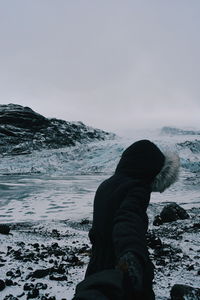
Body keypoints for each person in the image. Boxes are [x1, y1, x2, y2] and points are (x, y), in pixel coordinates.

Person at [73, 139, 180, 300]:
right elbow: (128, 217)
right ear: (151, 168)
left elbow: (98, 227)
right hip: (121, 263)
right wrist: (132, 253)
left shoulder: (106, 185)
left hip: (97, 263)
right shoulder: (138, 187)